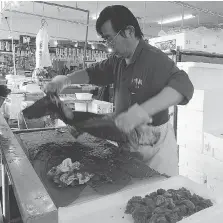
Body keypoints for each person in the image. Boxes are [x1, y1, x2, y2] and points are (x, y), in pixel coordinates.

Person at [45, 5, 194, 176]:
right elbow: (92, 73)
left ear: (129, 31)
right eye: (105, 40)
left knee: (157, 193)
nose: (109, 46)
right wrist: (66, 80)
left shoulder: (155, 59)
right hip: (129, 143)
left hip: (156, 149)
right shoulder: (118, 61)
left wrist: (142, 111)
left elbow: (184, 86)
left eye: (110, 39)